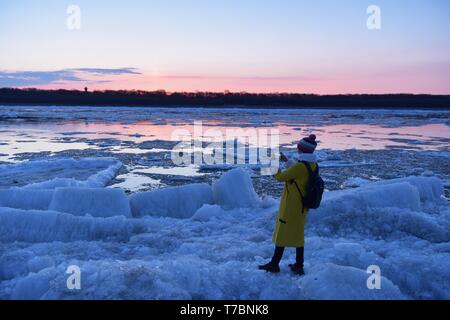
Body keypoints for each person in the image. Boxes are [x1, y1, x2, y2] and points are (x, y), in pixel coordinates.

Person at [259, 134, 318, 275]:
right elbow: (298, 170)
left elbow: (280, 177)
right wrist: (286, 161)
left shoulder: (300, 167)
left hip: (292, 205)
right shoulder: (313, 165)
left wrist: (274, 163)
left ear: (301, 149)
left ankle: (274, 264)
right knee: (298, 234)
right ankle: (299, 265)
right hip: (302, 206)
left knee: (282, 233)